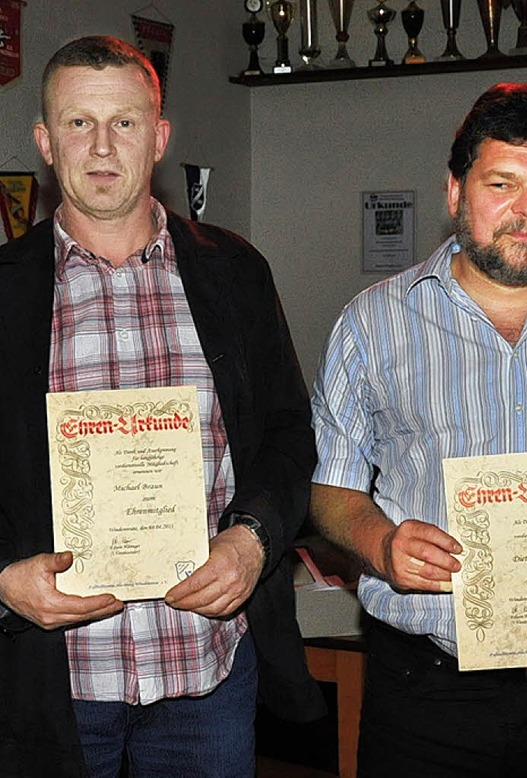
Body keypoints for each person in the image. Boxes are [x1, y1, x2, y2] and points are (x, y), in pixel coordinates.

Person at [0, 35, 324, 778]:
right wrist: (3, 578)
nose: (103, 145)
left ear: (160, 136)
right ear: (47, 142)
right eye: (79, 123)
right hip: (55, 683)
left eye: (126, 122)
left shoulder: (235, 274)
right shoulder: (6, 291)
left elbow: (287, 434)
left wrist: (252, 539)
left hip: (204, 674)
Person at [310, 82, 527, 778]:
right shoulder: (373, 324)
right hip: (427, 692)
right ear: (456, 193)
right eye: (502, 183)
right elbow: (331, 490)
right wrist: (382, 542)